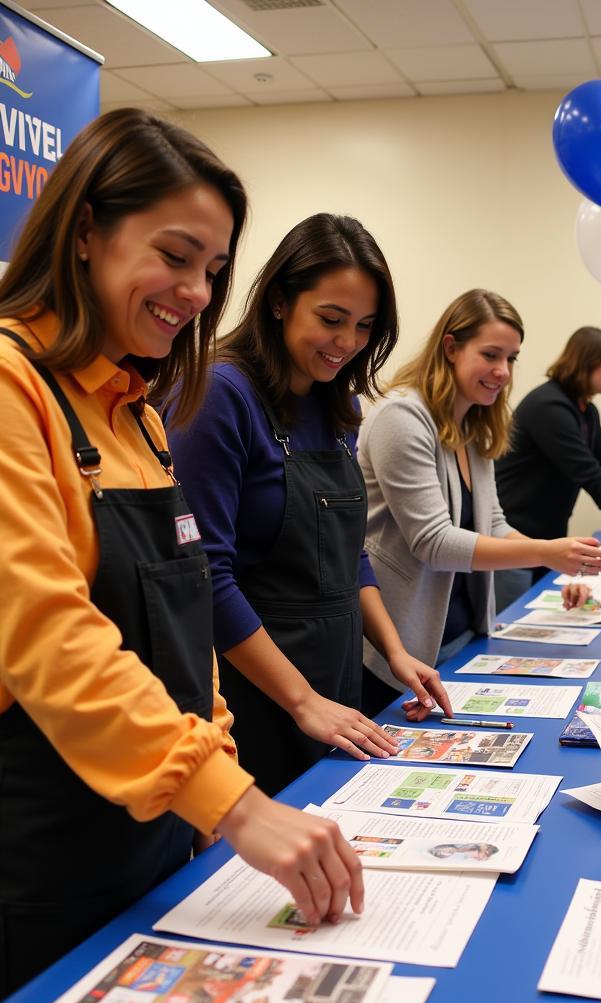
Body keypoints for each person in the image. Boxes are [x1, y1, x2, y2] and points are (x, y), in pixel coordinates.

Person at [0, 109, 361, 997]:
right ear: (86, 231)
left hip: (159, 834)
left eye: (213, 267)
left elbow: (188, 618)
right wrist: (232, 803)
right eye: (174, 254)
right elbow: (49, 633)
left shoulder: (143, 416)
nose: (198, 291)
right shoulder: (12, 388)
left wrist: (216, 777)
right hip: (42, 865)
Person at [167, 214, 452, 799]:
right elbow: (205, 578)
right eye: (331, 319)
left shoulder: (337, 402)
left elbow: (350, 556)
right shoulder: (221, 395)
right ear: (278, 301)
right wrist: (302, 700)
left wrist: (396, 653)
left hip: (333, 685)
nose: (347, 343)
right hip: (256, 695)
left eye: (365, 327)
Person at [358, 289, 601, 711]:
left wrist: (555, 566)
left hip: (460, 637)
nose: (503, 371)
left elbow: (492, 522)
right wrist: (547, 553)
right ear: (451, 348)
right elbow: (434, 544)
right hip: (398, 652)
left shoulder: (473, 423)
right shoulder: (400, 417)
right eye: (491, 355)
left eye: (511, 358)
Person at [494, 326, 601, 609]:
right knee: (506, 620)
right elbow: (591, 475)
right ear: (587, 362)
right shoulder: (549, 406)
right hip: (515, 541)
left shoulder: (586, 410)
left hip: (548, 536)